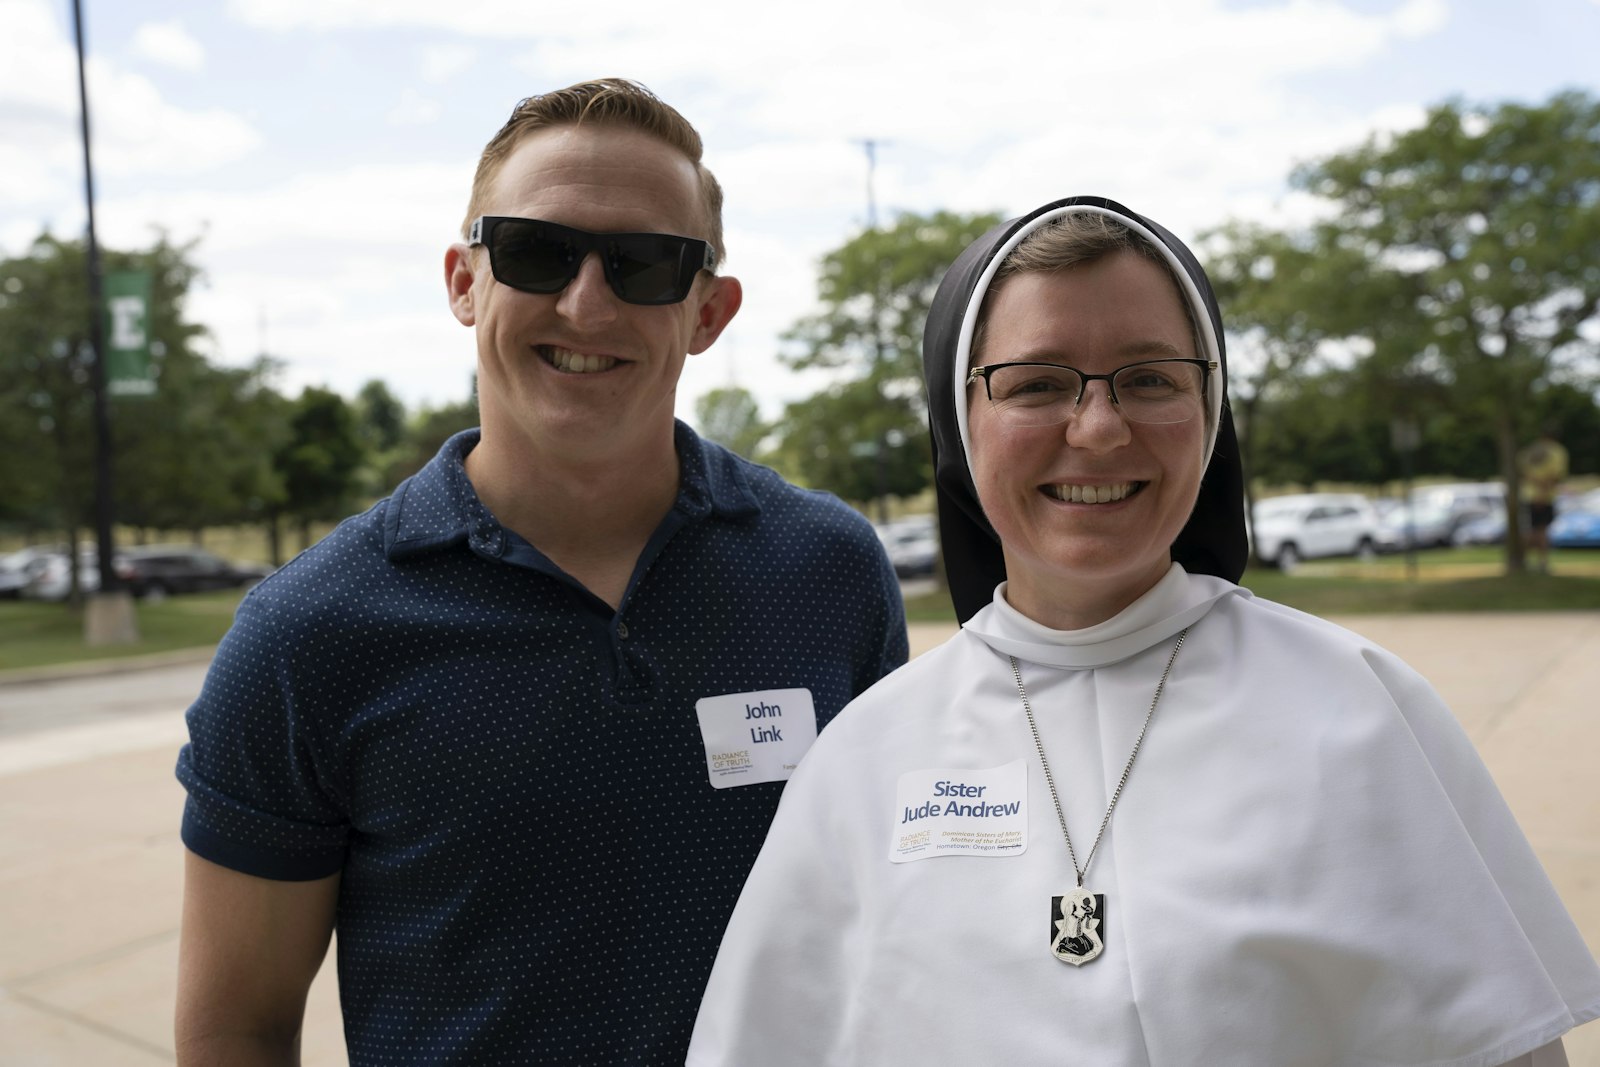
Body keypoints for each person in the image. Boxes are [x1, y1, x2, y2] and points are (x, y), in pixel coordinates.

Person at [688, 196, 1600, 1066]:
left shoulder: (1362, 708)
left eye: (1150, 378)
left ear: (1210, 415)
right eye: (1037, 382)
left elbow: (1505, 1047)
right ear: (959, 421)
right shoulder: (864, 757)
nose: (1097, 426)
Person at [172, 79, 907, 1065]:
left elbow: (900, 920)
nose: (584, 301)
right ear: (463, 280)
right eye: (535, 250)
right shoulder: (308, 633)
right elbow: (237, 1027)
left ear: (710, 311)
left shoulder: (830, 571)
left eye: (646, 262)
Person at [1519, 429, 1569, 573]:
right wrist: (1542, 494)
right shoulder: (1557, 451)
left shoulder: (1530, 450)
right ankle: (1542, 562)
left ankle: (1523, 559)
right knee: (1541, 531)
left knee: (1533, 530)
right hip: (1544, 496)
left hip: (1528, 494)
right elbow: (1554, 476)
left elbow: (1524, 472)